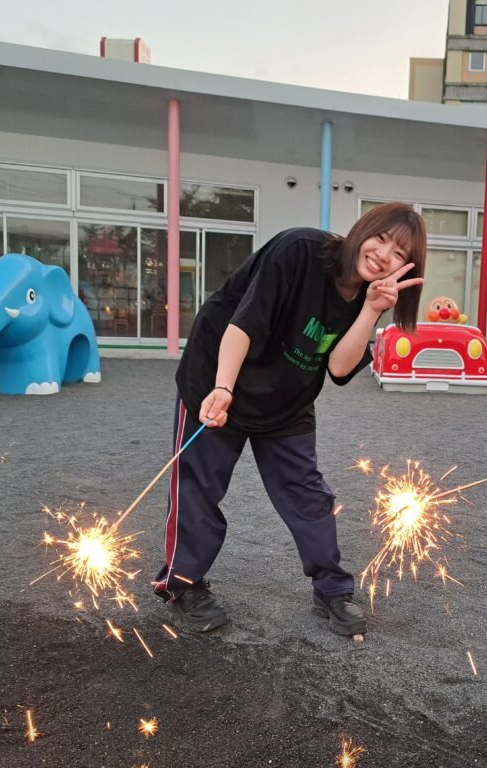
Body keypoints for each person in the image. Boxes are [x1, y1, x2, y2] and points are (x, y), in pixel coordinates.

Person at [154, 202, 427, 638]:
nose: (382, 255)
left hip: (287, 397)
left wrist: (372, 309)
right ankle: (182, 584)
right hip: (218, 376)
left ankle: (332, 589)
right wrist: (222, 389)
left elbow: (338, 368)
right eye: (380, 239)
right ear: (361, 230)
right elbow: (243, 325)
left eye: (398, 253)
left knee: (308, 493)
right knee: (198, 487)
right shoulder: (299, 249)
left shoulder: (371, 295)